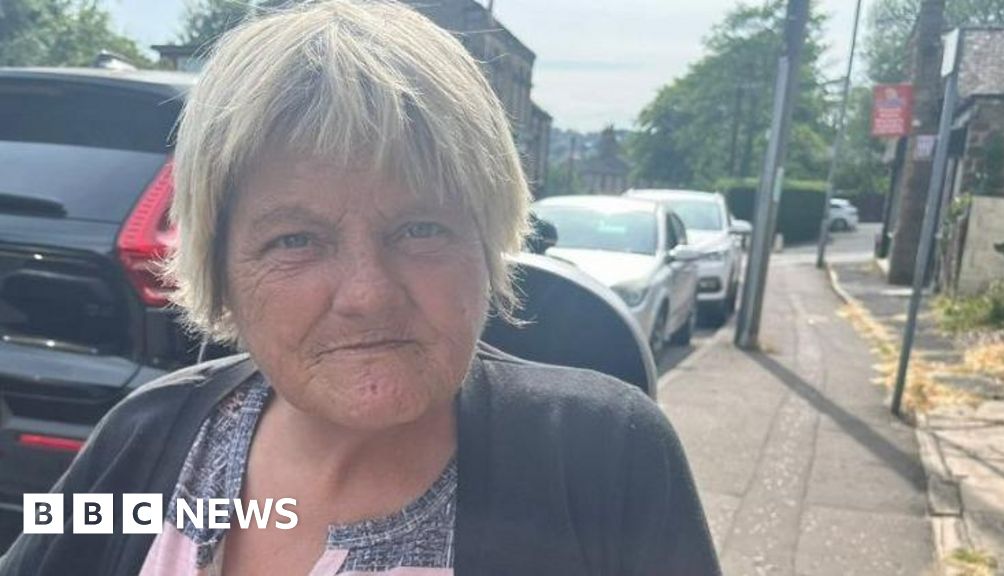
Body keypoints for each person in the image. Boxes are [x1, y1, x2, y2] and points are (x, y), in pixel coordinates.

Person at [0, 2, 720, 574]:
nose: (368, 295)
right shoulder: (143, 438)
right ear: (221, 269)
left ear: (486, 240)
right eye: (295, 240)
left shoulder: (604, 462)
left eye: (420, 228)